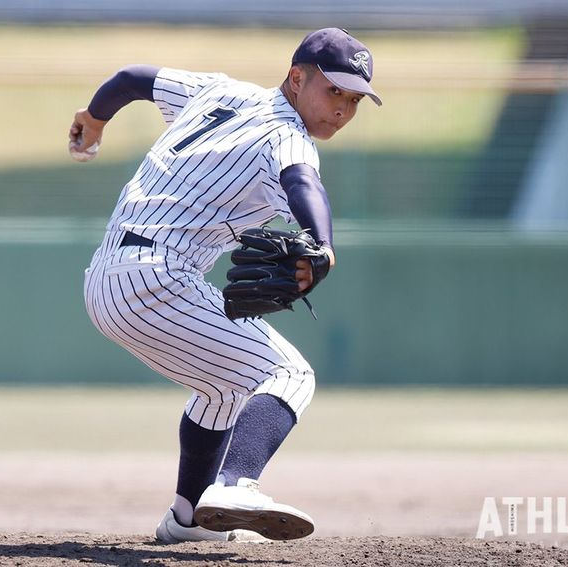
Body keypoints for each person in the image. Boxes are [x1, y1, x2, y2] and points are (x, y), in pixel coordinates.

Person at [71, 28, 380, 543]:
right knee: (290, 376)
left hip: (109, 278)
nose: (343, 109)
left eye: (354, 100)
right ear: (296, 77)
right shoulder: (288, 137)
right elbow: (303, 182)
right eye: (334, 91)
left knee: (224, 387)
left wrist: (94, 119)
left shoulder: (220, 91)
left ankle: (187, 520)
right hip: (155, 281)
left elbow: (131, 79)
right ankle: (235, 484)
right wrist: (323, 246)